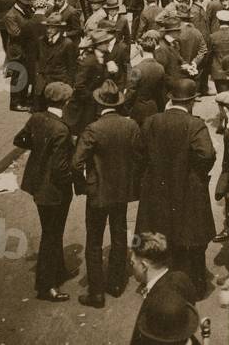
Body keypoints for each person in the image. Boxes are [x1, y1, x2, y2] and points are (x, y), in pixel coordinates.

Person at [135, 78, 216, 298]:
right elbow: (206, 154)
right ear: (191, 102)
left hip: (157, 188)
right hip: (188, 189)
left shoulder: (152, 121)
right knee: (191, 238)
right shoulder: (195, 124)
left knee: (161, 235)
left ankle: (161, 283)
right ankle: (196, 288)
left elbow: (140, 152)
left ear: (171, 100)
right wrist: (195, 172)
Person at [72, 79, 142, 307]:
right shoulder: (130, 125)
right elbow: (140, 156)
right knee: (119, 235)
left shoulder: (93, 128)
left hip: (98, 193)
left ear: (99, 104)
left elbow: (76, 163)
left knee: (94, 241)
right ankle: (116, 284)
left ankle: (96, 293)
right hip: (121, 192)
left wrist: (82, 187)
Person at [13, 81, 75, 301]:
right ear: (66, 102)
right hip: (54, 191)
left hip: (37, 184)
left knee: (51, 230)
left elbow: (19, 139)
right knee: (51, 234)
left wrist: (40, 151)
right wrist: (73, 179)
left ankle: (58, 271)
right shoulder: (61, 129)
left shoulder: (37, 118)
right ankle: (46, 286)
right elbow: (60, 169)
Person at [129, 232, 197, 345]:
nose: (132, 267)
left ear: (144, 266)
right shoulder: (181, 278)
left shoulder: (158, 303)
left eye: (132, 263)